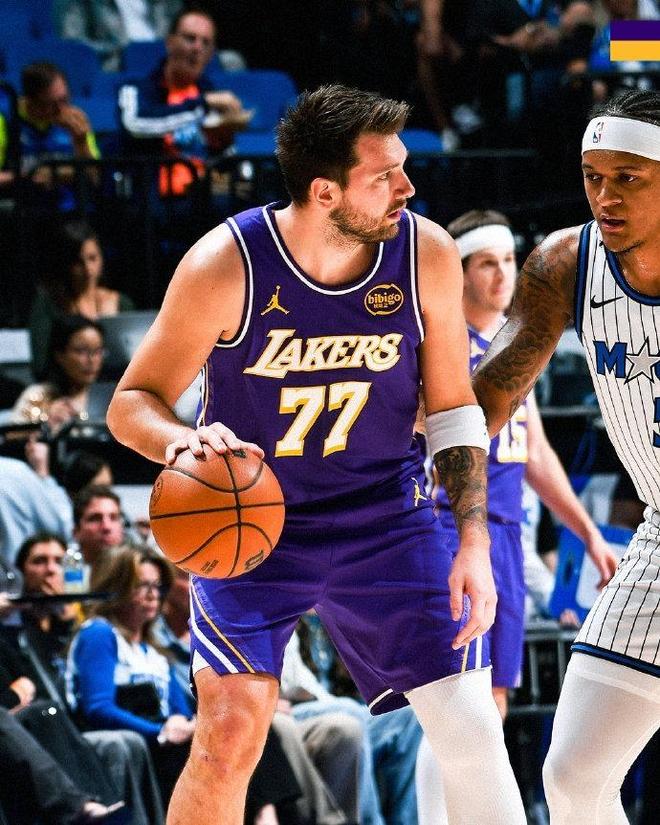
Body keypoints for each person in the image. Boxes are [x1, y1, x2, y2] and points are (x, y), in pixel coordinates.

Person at [107, 83, 526, 824]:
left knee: (470, 721)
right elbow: (130, 402)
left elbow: (454, 408)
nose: (408, 187)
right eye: (385, 176)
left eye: (403, 168)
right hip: (255, 521)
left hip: (387, 518)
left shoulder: (424, 251)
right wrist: (181, 440)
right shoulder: (227, 263)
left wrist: (472, 539)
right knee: (230, 735)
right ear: (325, 190)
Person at [471, 89, 660, 824]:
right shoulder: (566, 264)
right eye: (593, 177)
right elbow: (486, 401)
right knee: (576, 772)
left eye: (628, 179)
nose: (605, 197)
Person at [415, 208, 619, 824]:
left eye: (508, 260)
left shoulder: (517, 351)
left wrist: (587, 533)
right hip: (451, 530)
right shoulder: (439, 347)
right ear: (459, 272)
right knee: (456, 700)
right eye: (486, 263)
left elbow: (535, 454)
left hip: (505, 533)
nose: (503, 274)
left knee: (494, 697)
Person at [118, 6, 252, 197]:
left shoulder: (210, 95)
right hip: (154, 204)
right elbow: (135, 124)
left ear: (211, 53)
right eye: (190, 38)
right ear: (169, 42)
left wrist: (226, 141)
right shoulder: (137, 89)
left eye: (206, 42)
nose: (198, 48)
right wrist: (202, 105)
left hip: (204, 201)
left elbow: (228, 162)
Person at [30, 219, 135, 380]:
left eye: (92, 258)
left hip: (115, 385)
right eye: (78, 262)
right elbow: (41, 365)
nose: (87, 268)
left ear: (101, 258)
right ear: (66, 264)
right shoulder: (50, 304)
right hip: (65, 389)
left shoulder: (121, 302)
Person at [0, 61, 100, 202]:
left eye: (64, 99)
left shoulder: (77, 121)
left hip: (70, 209)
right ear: (30, 100)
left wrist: (80, 141)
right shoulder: (5, 120)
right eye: (52, 104)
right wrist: (28, 176)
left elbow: (94, 178)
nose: (62, 109)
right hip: (20, 206)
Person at [11, 315, 107, 433]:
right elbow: (13, 437)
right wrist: (46, 423)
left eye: (98, 351)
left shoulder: (114, 396)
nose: (92, 360)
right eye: (81, 351)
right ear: (60, 355)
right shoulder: (37, 396)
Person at [55, 0, 184, 71]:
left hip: (163, 65)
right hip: (114, 68)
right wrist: (120, 51)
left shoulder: (162, 3)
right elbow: (73, 45)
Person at [72, 485, 125, 569]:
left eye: (113, 518)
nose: (107, 527)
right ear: (76, 532)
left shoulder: (140, 573)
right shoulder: (62, 574)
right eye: (95, 518)